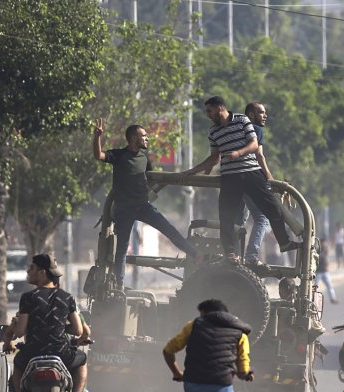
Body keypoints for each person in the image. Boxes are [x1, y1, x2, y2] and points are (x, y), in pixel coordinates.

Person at [182, 96, 300, 261]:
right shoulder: (213, 131)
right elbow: (215, 157)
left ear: (220, 108)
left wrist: (238, 153)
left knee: (273, 209)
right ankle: (230, 253)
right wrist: (193, 171)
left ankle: (284, 242)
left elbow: (253, 145)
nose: (208, 114)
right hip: (230, 178)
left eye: (209, 111)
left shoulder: (241, 120)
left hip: (252, 173)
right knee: (226, 217)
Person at [93, 119, 199, 287]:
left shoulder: (144, 157)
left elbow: (150, 176)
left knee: (169, 229)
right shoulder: (119, 155)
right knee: (121, 249)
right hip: (124, 208)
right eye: (144, 136)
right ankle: (119, 286)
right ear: (134, 138)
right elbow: (99, 156)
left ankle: (196, 254)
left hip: (143, 206)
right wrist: (97, 137)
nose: (147, 138)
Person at [2, 254, 89, 392]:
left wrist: (14, 327)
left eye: (31, 268)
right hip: (62, 354)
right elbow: (78, 330)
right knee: (82, 364)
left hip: (33, 354)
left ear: (42, 273)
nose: (27, 272)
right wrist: (59, 327)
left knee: (16, 370)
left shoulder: (28, 298)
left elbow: (21, 331)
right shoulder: (67, 297)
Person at [236, 102, 272, 268]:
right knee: (262, 218)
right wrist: (269, 177)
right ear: (251, 114)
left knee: (240, 220)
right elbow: (260, 156)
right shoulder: (256, 130)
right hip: (250, 179)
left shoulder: (236, 129)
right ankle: (251, 256)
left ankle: (234, 255)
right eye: (261, 112)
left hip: (234, 178)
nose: (265, 116)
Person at [317, 238, 338, 304]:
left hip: (325, 271)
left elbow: (325, 259)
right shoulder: (318, 250)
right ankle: (312, 299)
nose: (324, 244)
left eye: (325, 243)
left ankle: (333, 299)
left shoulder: (326, 250)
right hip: (318, 271)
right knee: (314, 286)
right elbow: (319, 258)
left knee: (330, 286)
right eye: (323, 243)